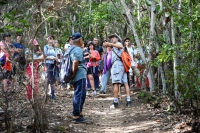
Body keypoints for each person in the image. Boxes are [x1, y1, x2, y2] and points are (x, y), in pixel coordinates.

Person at [103, 34, 131, 108]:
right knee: (125, 83)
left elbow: (120, 46)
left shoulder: (118, 44)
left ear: (117, 39)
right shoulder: (114, 46)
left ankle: (115, 102)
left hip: (117, 65)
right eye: (111, 38)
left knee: (115, 83)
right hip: (122, 65)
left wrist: (110, 44)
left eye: (113, 37)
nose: (112, 39)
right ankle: (128, 100)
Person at [68, 32, 87, 123]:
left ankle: (79, 112)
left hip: (75, 75)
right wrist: (74, 74)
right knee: (79, 95)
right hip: (79, 74)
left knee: (81, 93)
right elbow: (75, 62)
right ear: (79, 40)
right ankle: (76, 116)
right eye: (82, 39)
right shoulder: (78, 49)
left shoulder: (69, 49)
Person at [44, 36, 58, 100]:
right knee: (48, 78)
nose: (51, 40)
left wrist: (56, 59)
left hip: (53, 64)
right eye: (50, 39)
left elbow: (56, 56)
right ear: (47, 40)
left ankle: (52, 93)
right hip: (48, 64)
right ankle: (46, 93)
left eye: (52, 39)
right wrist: (52, 58)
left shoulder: (53, 48)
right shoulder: (46, 47)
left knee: (53, 79)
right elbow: (45, 56)